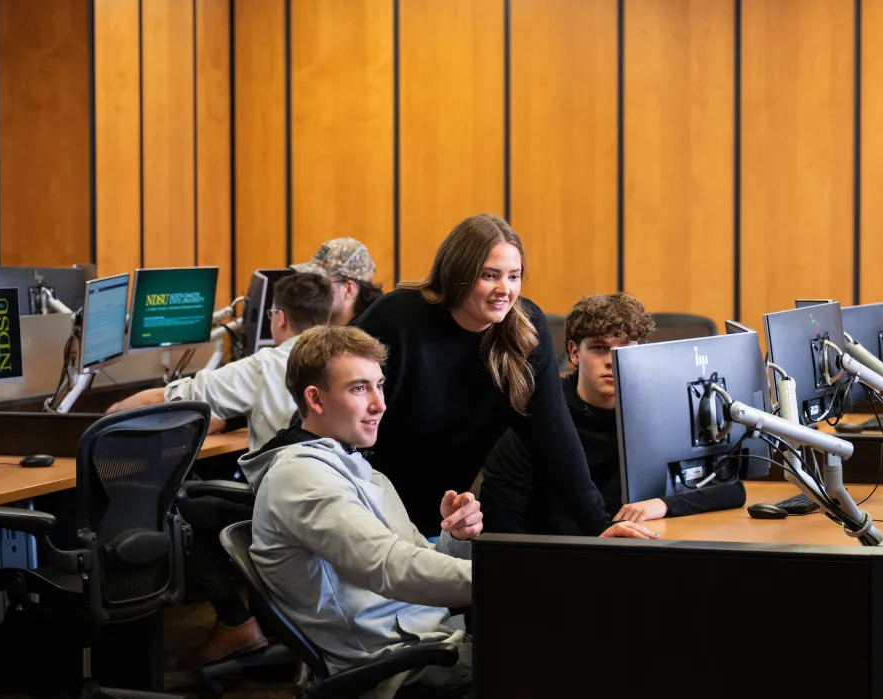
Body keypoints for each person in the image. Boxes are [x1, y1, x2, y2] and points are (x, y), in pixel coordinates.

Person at [352, 214, 654, 540]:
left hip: (439, 522)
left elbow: (554, 438)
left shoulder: (526, 327)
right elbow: (334, 398)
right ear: (457, 275)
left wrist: (600, 525)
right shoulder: (397, 317)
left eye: (514, 276)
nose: (504, 290)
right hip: (367, 507)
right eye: (489, 275)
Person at [240, 325, 479, 699]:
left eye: (379, 385)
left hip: (435, 642)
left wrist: (456, 537)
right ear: (315, 399)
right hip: (396, 668)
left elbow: (416, 560)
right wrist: (507, 579)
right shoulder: (302, 477)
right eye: (359, 388)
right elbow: (391, 569)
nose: (380, 403)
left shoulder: (357, 467)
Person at [107, 272, 333, 667]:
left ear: (279, 319)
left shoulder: (267, 364)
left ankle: (235, 621)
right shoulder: (345, 361)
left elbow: (174, 398)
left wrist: (102, 421)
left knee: (181, 508)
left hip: (281, 508)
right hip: (334, 502)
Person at [479, 293, 747, 534]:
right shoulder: (539, 412)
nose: (611, 359)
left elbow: (730, 487)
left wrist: (664, 504)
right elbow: (501, 516)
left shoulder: (664, 408)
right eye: (599, 348)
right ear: (574, 352)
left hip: (639, 549)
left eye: (624, 347)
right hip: (559, 558)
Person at [106, 272, 334, 450]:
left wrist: (110, 415)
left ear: (281, 318)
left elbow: (166, 398)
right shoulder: (350, 359)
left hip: (281, 499)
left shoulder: (263, 367)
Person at [292, 237, 384, 326]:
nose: (313, 289)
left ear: (349, 289)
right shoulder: (317, 332)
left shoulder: (371, 337)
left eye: (321, 283)